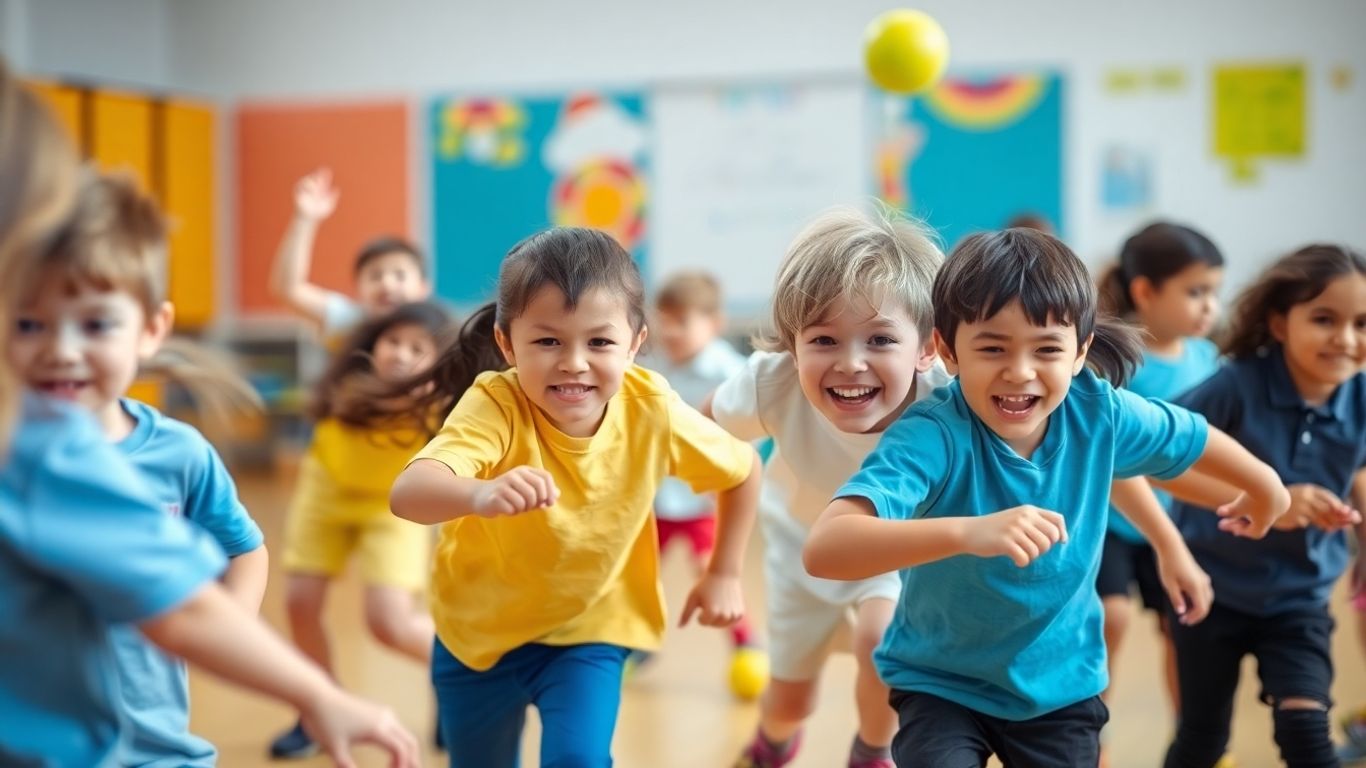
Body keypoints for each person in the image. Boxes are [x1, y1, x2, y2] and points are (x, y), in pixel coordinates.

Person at [0, 59, 419, 768]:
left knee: (385, 614)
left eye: (95, 325)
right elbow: (188, 611)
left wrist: (259, 648)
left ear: (151, 329)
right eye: (30, 323)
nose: (61, 351)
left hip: (148, 741)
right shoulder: (38, 449)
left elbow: (218, 580)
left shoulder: (147, 451)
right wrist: (316, 694)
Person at [804, 227, 1289, 767]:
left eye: (1047, 350)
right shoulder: (932, 436)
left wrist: (1264, 485)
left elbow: (1190, 437)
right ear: (946, 348)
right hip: (939, 684)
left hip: (1060, 691)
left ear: (1080, 352)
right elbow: (826, 547)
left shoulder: (1098, 410)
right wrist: (970, 531)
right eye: (992, 348)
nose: (1019, 372)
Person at [383, 226, 763, 767]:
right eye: (548, 341)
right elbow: (409, 493)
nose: (574, 362)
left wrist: (723, 571)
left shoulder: (650, 407)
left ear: (636, 342)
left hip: (591, 628)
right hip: (478, 634)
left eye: (600, 342)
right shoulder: (496, 403)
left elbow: (743, 468)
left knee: (578, 759)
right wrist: (479, 492)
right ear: (507, 343)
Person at [718, 207, 946, 768]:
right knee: (791, 700)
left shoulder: (945, 399)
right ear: (792, 345)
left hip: (898, 552)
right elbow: (694, 439)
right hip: (801, 548)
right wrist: (721, 564)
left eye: (879, 339)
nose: (851, 363)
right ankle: (773, 740)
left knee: (882, 642)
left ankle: (872, 751)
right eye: (823, 339)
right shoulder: (772, 386)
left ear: (927, 347)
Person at [1162, 244, 1366, 768]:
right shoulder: (1236, 385)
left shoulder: (1361, 399)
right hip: (1211, 593)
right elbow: (1161, 459)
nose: (1345, 339)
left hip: (1300, 601)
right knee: (1203, 739)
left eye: (1362, 324)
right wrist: (1263, 500)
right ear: (1279, 323)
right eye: (1324, 319)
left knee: (1306, 731)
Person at [270, 301, 453, 759]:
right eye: (393, 342)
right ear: (373, 344)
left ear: (438, 359)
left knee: (388, 623)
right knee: (299, 603)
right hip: (325, 493)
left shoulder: (437, 400)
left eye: (417, 347)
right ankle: (320, 708)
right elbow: (290, 289)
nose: (401, 354)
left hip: (392, 507)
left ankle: (462, 677)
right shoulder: (348, 375)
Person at [1094, 221, 1225, 726]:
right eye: (1196, 292)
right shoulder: (1118, 359)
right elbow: (1112, 453)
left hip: (1180, 522)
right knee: (1112, 617)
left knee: (1184, 625)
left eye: (1215, 292)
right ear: (1145, 291)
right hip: (1112, 522)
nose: (1209, 306)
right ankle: (1090, 733)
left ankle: (1192, 738)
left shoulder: (1208, 359)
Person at [637, 270, 764, 694]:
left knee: (713, 574)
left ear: (713, 323)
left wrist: (728, 477)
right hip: (653, 499)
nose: (670, 331)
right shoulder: (647, 365)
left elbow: (755, 433)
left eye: (682, 321)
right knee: (634, 575)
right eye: (664, 320)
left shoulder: (731, 372)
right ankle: (637, 643)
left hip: (702, 502)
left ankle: (746, 643)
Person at [269, 168, 431, 344]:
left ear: (423, 288)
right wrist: (304, 218)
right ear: (358, 288)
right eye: (375, 276)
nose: (387, 283)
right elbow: (288, 289)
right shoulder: (349, 323)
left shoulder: (435, 333)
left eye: (400, 275)